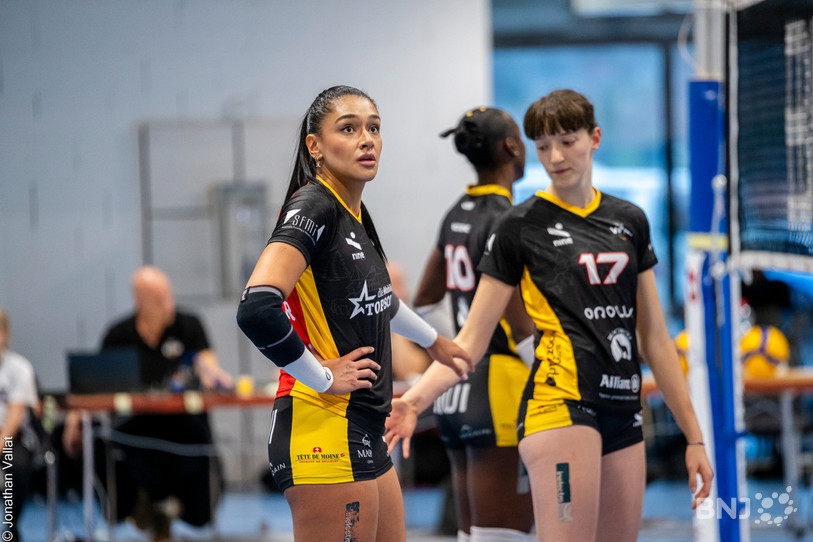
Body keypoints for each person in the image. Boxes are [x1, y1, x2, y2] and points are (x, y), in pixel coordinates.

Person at [385, 89, 714, 542]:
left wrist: (694, 437)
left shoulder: (629, 221)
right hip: (557, 406)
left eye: (567, 141)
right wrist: (414, 400)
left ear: (594, 138)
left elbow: (654, 337)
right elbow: (471, 340)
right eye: (543, 146)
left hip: (622, 410)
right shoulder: (518, 226)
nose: (555, 156)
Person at [235, 85, 472, 542]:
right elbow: (257, 307)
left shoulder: (353, 214)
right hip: (321, 425)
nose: (367, 139)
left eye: (374, 128)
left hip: (365, 427)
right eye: (349, 128)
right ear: (315, 146)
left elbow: (381, 299)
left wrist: (434, 342)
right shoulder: (314, 206)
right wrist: (321, 375)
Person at [409, 107, 535, 542]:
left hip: (456, 390)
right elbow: (518, 320)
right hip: (501, 387)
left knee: (471, 536)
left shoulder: (455, 213)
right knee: (505, 537)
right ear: (511, 147)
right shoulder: (509, 218)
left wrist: (450, 346)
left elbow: (424, 297)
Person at [64, 266, 232, 542]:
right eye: (159, 300)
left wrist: (214, 375)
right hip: (134, 429)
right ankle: (143, 508)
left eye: (169, 297)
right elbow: (91, 387)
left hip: (184, 428)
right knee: (102, 446)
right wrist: (74, 418)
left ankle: (173, 509)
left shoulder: (188, 325)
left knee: (198, 450)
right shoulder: (118, 335)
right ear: (139, 302)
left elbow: (209, 366)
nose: (169, 305)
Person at [0, 309, 40, 542]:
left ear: (4, 335)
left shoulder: (19, 368)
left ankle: (10, 528)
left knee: (15, 466)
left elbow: (15, 415)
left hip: (11, 440)